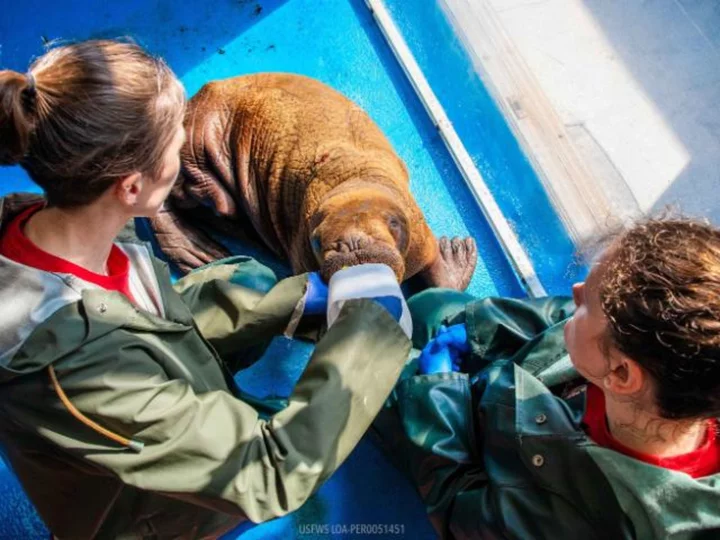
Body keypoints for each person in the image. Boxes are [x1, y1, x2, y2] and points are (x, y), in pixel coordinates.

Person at [0, 39, 413, 539]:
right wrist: (372, 332)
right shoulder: (67, 370)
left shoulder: (66, 224)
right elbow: (267, 473)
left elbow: (139, 320)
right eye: (176, 144)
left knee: (247, 279)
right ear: (132, 187)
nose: (182, 149)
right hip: (153, 514)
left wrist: (292, 301)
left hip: (137, 387)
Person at [374, 218, 720, 538]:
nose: (576, 289)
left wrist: (438, 391)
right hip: (503, 398)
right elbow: (559, 317)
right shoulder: (658, 362)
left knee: (377, 370)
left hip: (472, 453)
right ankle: (446, 300)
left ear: (620, 373)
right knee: (432, 308)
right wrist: (479, 328)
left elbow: (459, 507)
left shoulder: (571, 521)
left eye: (589, 302)